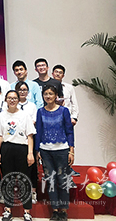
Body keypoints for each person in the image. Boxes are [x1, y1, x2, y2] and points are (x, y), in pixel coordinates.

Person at [35, 86, 75, 221]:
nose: (48, 96)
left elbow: (69, 131)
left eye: (51, 94)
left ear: (56, 95)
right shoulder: (40, 111)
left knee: (63, 179)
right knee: (50, 180)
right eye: (45, 94)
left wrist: (71, 150)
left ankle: (63, 210)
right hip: (45, 151)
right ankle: (55, 210)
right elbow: (38, 132)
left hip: (62, 149)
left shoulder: (64, 111)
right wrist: (37, 150)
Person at [0, 90, 36, 221]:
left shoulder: (25, 115)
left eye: (14, 98)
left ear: (18, 100)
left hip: (22, 149)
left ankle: (27, 211)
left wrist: (30, 153)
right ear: (5, 100)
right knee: (7, 179)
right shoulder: (1, 116)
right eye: (9, 98)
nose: (12, 100)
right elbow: (0, 135)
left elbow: (30, 135)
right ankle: (7, 210)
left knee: (24, 180)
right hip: (6, 148)